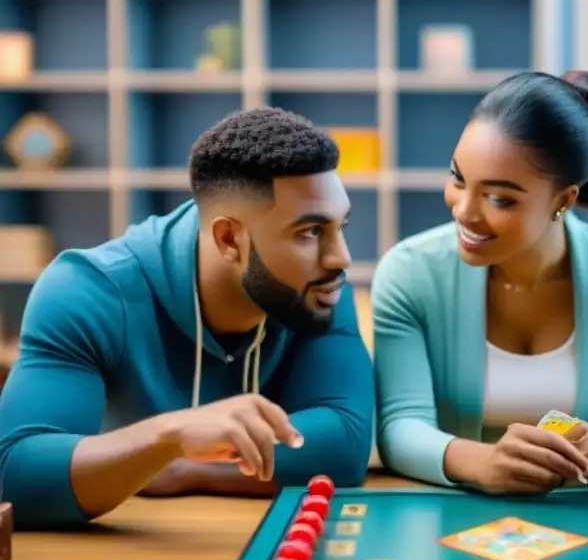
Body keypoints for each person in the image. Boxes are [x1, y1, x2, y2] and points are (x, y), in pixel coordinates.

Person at [0, 107, 376, 529]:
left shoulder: (316, 284)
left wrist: (190, 467)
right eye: (310, 231)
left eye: (339, 226)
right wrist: (169, 436)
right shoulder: (88, 290)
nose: (339, 256)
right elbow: (16, 474)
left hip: (250, 542)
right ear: (229, 239)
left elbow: (344, 445)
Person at [371, 70, 588, 494]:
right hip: (450, 514)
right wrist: (481, 462)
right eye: (458, 178)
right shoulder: (408, 273)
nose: (464, 210)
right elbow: (400, 427)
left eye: (499, 198)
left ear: (564, 200)